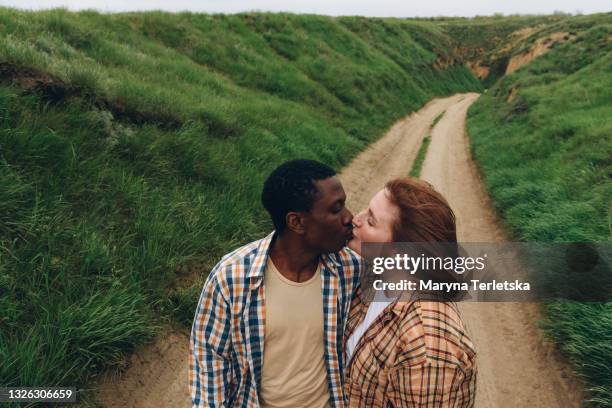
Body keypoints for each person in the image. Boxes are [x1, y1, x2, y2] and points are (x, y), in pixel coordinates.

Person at [189, 159, 362, 407]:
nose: (349, 218)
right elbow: (209, 361)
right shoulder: (232, 278)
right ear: (297, 222)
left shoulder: (350, 267)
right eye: (336, 210)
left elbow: (433, 274)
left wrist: (372, 245)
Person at [344, 177, 477, 407]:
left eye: (371, 221)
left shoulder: (428, 348)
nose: (355, 219)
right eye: (366, 209)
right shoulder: (377, 278)